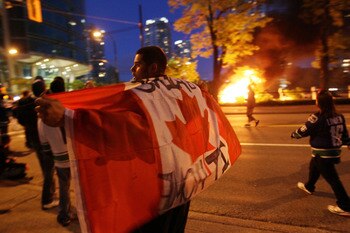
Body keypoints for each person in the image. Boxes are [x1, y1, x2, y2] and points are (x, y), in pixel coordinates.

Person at [35, 46, 241, 232]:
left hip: (157, 190)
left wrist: (70, 117)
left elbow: (125, 129)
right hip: (184, 186)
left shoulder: (146, 97)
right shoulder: (187, 89)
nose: (133, 70)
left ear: (152, 68)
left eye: (137, 65)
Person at [291, 90, 350, 216]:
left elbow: (304, 130)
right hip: (334, 151)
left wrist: (294, 134)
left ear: (319, 103)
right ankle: (309, 186)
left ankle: (345, 206)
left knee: (333, 179)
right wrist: (348, 142)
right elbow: (344, 133)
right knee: (314, 166)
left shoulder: (317, 117)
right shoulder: (339, 116)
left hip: (323, 153)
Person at [37, 77, 72, 226]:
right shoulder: (68, 109)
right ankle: (67, 214)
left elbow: (44, 142)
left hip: (59, 157)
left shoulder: (42, 117)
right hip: (72, 156)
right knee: (78, 187)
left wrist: (51, 152)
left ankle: (64, 215)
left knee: (64, 186)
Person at [29, 78, 58, 210]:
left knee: (46, 169)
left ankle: (51, 193)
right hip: (45, 141)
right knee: (49, 171)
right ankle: (47, 199)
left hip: (35, 140)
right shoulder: (43, 103)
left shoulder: (28, 102)